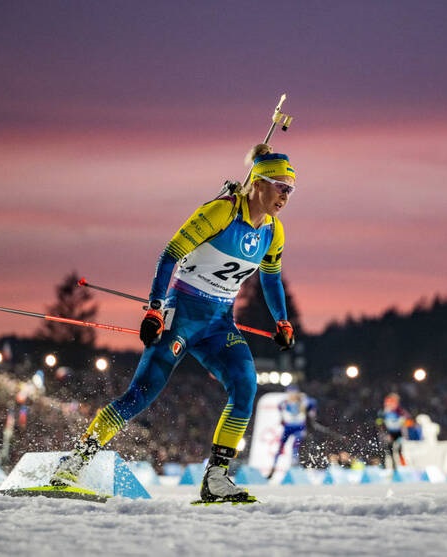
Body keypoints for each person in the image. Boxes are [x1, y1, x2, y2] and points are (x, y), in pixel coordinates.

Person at [50, 143, 298, 503]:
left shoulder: (273, 231)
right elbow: (169, 255)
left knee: (246, 386)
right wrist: (154, 309)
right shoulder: (221, 213)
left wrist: (283, 321)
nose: (285, 196)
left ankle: (216, 478)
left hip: (219, 323)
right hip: (182, 314)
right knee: (142, 394)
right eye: (280, 186)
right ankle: (74, 462)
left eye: (290, 189)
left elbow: (271, 278)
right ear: (258, 182)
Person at [267, 386, 317, 479]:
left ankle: (294, 461)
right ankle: (273, 466)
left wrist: (311, 411)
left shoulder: (303, 402)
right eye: (290, 394)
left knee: (296, 443)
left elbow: (313, 403)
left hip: (299, 428)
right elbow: (280, 410)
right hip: (288, 428)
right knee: (281, 446)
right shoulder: (284, 403)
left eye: (294, 394)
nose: (292, 396)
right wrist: (281, 419)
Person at [376, 392, 411, 469]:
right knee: (388, 451)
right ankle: (388, 468)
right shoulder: (384, 412)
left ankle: (401, 468)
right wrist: (385, 434)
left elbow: (407, 420)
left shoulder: (400, 411)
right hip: (388, 433)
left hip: (398, 433)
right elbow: (380, 423)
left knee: (399, 451)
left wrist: (404, 432)